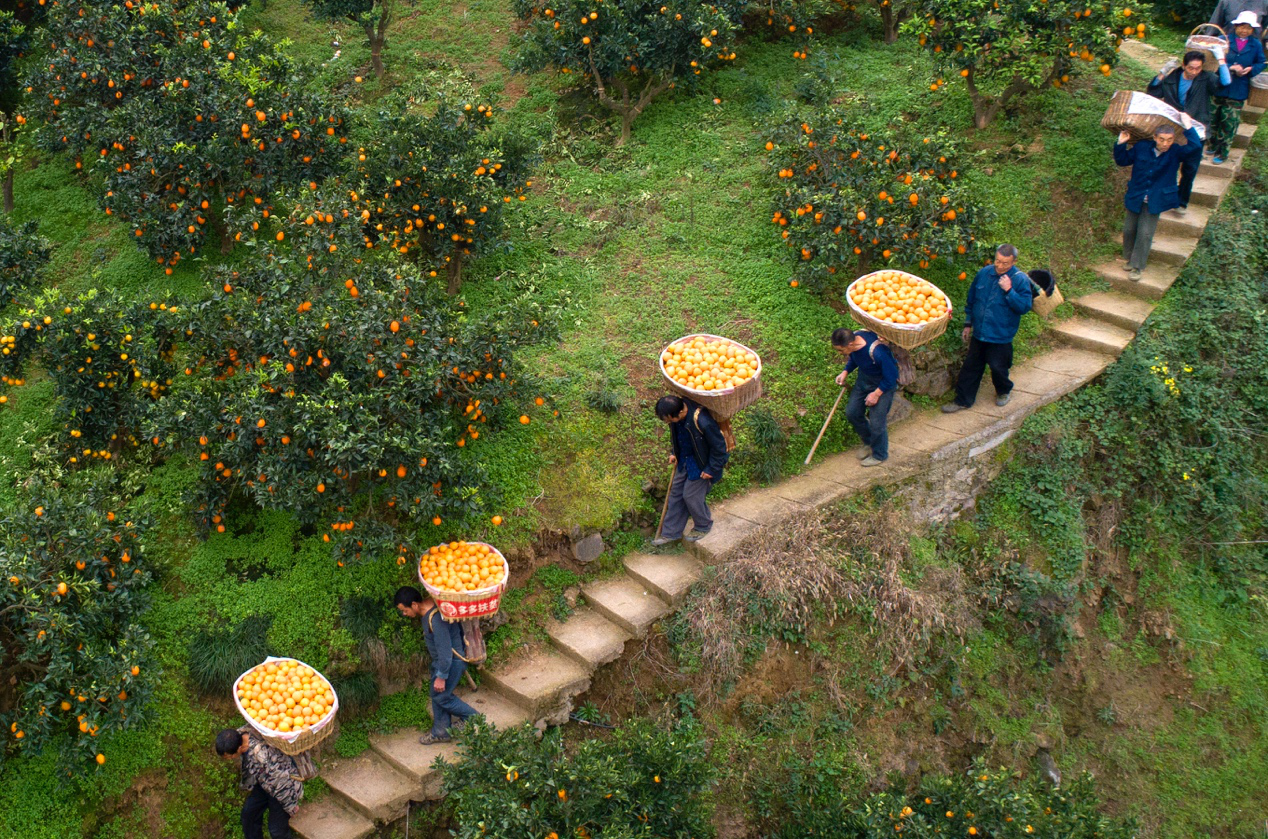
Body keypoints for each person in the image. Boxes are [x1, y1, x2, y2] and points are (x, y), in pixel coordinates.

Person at [941, 244, 1033, 413]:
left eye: (1005, 263)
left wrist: (1009, 290)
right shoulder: (984, 273)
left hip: (1001, 335)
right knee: (971, 367)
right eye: (998, 261)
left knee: (998, 367)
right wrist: (968, 324)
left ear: (1014, 262)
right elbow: (972, 300)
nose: (1000, 266)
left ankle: (1003, 391)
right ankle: (963, 400)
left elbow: (1024, 307)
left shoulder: (1019, 280)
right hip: (980, 332)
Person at [1113, 116, 1204, 281]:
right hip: (1136, 195)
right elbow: (1122, 160)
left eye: (1169, 140)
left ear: (1173, 140)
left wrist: (1189, 127)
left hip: (1156, 200)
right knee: (1129, 229)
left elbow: (1196, 147)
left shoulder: (1175, 152)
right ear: (1154, 138)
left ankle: (1138, 266)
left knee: (1145, 233)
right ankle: (1130, 258)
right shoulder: (1141, 147)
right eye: (1161, 139)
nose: (1165, 143)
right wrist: (1121, 143)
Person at [1146, 49, 1230, 212]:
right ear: (1184, 65)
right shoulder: (1173, 78)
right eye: (1191, 68)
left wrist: (1221, 59)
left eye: (1198, 68)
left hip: (1196, 131)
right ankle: (1160, 197)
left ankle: (1181, 201)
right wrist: (1163, 72)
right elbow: (1153, 91)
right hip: (1174, 130)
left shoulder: (1206, 78)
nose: (1194, 72)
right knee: (1165, 164)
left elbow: (1225, 84)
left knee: (1190, 169)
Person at [394, 586, 476, 745]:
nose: (404, 614)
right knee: (437, 693)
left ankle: (472, 717)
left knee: (441, 697)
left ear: (414, 605)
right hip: (445, 661)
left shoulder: (435, 620)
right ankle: (441, 731)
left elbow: (445, 653)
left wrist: (442, 676)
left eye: (405, 610)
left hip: (451, 662)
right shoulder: (433, 604)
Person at [650, 394, 728, 546]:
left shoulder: (703, 421)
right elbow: (678, 437)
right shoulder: (675, 417)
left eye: (669, 419)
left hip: (701, 463)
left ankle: (703, 525)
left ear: (680, 412)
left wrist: (711, 469)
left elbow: (720, 447)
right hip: (685, 460)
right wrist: (674, 452)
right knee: (676, 494)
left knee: (691, 496)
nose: (668, 422)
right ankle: (671, 533)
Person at [215, 727, 303, 839]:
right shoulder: (240, 735)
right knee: (249, 815)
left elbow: (282, 782)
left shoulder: (261, 756)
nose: (229, 759)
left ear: (239, 748)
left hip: (282, 788)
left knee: (277, 830)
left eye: (229, 756)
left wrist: (290, 806)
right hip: (264, 783)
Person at [831, 327, 899, 468]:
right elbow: (854, 358)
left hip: (883, 384)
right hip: (864, 380)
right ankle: (869, 442)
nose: (840, 353)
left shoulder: (878, 352)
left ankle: (879, 454)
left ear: (850, 344)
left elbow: (892, 377)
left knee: (877, 422)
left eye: (840, 350)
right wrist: (845, 371)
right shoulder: (854, 341)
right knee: (852, 413)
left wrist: (876, 394)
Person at [1210, 12, 1266, 164]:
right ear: (1235, 26)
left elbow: (1261, 63)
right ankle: (1212, 144)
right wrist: (1230, 66)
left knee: (1229, 122)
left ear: (1252, 30)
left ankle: (1223, 152)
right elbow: (1212, 60)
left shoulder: (1255, 44)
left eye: (1248, 28)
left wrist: (1251, 69)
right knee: (1214, 117)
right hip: (1219, 86)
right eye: (1242, 27)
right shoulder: (1224, 40)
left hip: (1238, 88)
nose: (1244, 31)